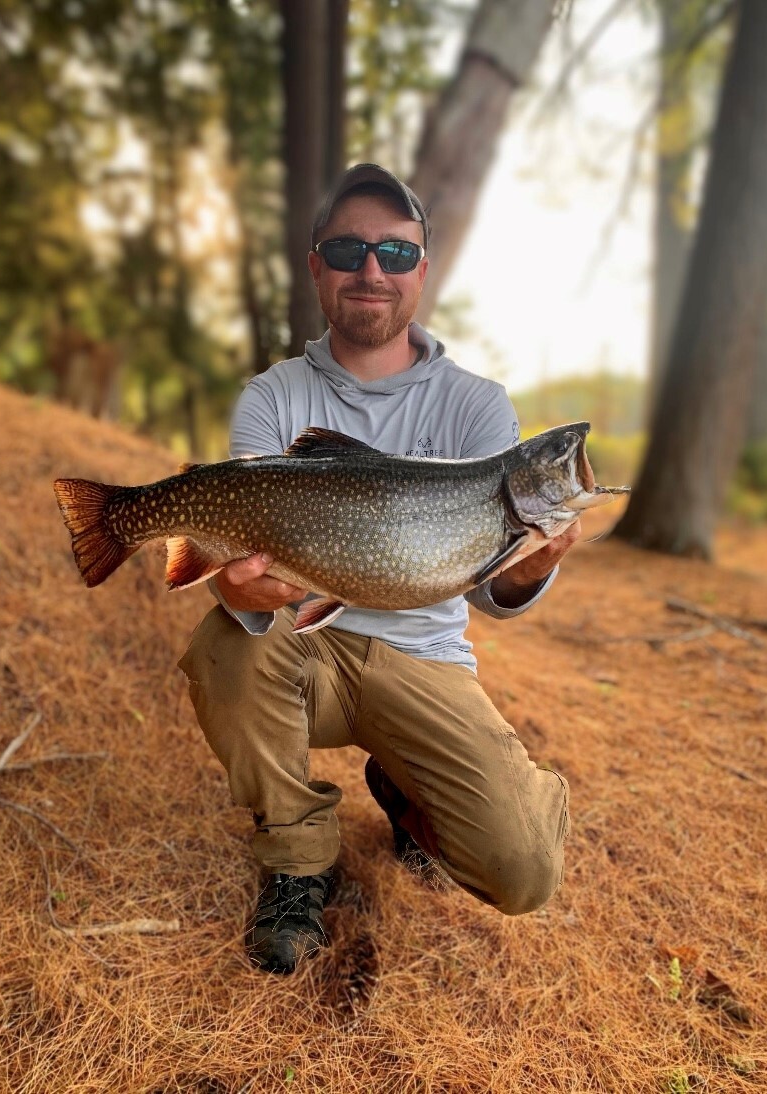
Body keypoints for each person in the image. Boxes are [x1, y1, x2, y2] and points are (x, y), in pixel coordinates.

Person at [178, 163, 578, 975]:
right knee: (227, 640)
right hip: (302, 647)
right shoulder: (273, 396)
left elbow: (497, 597)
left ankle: (408, 789)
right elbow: (238, 554)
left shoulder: (476, 406)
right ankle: (296, 865)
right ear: (317, 264)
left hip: (426, 661)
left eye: (396, 254)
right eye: (349, 249)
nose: (372, 270)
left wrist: (535, 563)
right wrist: (230, 581)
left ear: (421, 275)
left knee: (525, 872)